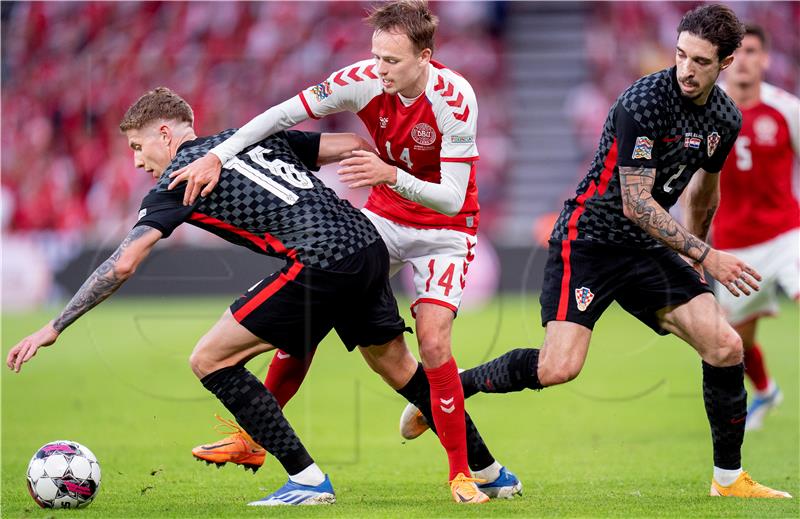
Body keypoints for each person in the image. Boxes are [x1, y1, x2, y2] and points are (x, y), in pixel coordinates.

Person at [5, 87, 490, 505]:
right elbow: (349, 145)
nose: (136, 161)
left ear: (166, 136)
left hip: (321, 259)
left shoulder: (180, 177)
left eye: (137, 146)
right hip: (366, 242)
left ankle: (306, 479)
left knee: (209, 358)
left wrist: (54, 326)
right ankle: (489, 471)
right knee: (397, 366)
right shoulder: (249, 139)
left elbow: (124, 263)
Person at [399, 4, 792, 498]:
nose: (687, 70)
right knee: (558, 368)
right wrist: (708, 256)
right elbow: (635, 202)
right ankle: (453, 389)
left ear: (726, 63)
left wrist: (696, 249)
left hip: (649, 247)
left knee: (725, 345)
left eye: (701, 62)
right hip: (589, 241)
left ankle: (729, 481)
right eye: (681, 56)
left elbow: (706, 187)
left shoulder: (723, 117)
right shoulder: (646, 100)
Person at [168, 0, 520, 499]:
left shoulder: (455, 99)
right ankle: (252, 437)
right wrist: (217, 156)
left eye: (392, 61)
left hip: (445, 231)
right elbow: (280, 115)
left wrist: (389, 174)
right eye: (376, 57)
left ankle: (462, 473)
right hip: (382, 219)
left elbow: (450, 196)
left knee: (433, 344)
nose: (380, 70)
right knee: (318, 297)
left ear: (425, 56)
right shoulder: (361, 78)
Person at [715, 24, 799, 431]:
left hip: (787, 233)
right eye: (737, 52)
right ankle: (765, 390)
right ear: (726, 61)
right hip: (734, 246)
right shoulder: (710, 113)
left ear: (765, 59)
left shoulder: (787, 109)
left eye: (752, 51)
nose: (744, 60)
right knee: (734, 343)